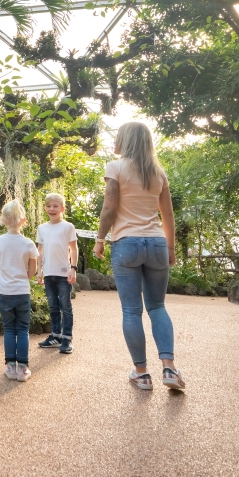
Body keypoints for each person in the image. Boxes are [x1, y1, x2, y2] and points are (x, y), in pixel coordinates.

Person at [93, 121, 185, 392]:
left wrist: (100, 239)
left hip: (127, 243)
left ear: (126, 140)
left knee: (132, 310)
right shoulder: (158, 172)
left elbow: (109, 207)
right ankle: (169, 368)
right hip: (157, 243)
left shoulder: (116, 167)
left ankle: (142, 374)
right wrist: (170, 247)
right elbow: (167, 215)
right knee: (157, 307)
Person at [0, 199, 38, 382]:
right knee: (23, 329)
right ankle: (23, 368)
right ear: (23, 221)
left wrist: (3, 275)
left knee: (9, 329)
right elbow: (31, 272)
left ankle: (10, 367)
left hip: (5, 290)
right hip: (22, 291)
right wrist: (25, 275)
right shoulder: (28, 243)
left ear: (3, 220)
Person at [36, 192, 78, 354]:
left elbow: (73, 249)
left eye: (55, 206)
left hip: (63, 273)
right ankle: (55, 336)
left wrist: (73, 268)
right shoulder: (42, 228)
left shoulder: (68, 227)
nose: (51, 209)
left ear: (62, 209)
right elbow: (40, 251)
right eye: (48, 206)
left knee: (65, 306)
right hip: (48, 273)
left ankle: (67, 338)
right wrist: (39, 270)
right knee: (53, 306)